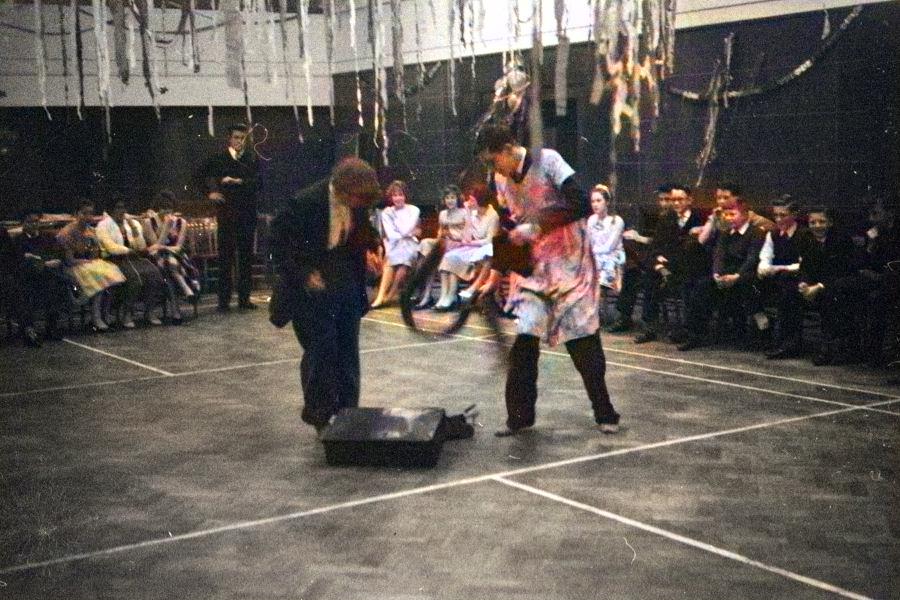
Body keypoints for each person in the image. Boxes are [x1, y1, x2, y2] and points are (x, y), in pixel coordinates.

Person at [476, 124, 620, 436]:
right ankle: (519, 418)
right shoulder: (501, 180)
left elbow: (580, 202)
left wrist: (537, 226)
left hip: (571, 266)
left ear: (508, 149)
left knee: (582, 343)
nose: (492, 168)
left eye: (493, 160)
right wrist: (494, 276)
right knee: (524, 342)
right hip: (537, 270)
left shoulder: (549, 161)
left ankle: (605, 412)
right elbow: (507, 228)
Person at [269, 157, 382, 434]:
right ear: (342, 189)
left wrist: (372, 249)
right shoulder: (304, 203)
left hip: (346, 278)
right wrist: (304, 274)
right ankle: (320, 416)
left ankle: (348, 414)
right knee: (321, 351)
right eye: (355, 199)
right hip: (313, 284)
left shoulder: (357, 202)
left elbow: (363, 230)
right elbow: (277, 245)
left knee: (348, 351)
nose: (359, 205)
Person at [203, 123, 260, 312]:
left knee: (245, 259)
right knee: (225, 259)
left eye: (242, 138)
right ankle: (223, 301)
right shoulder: (220, 159)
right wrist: (210, 193)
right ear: (229, 138)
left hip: (246, 215)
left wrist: (239, 181)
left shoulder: (251, 158)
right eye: (236, 137)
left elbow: (259, 183)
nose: (239, 141)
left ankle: (244, 299)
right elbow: (199, 176)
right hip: (227, 215)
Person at [757, 196, 815, 359]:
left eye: (783, 215)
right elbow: (766, 255)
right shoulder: (774, 233)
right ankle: (764, 330)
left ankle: (789, 343)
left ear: (794, 214)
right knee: (751, 282)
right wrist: (763, 266)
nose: (778, 219)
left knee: (787, 286)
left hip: (799, 278)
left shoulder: (805, 234)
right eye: (776, 215)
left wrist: (778, 268)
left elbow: (805, 264)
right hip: (777, 277)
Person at [96, 197, 167, 328]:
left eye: (123, 207)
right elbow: (109, 246)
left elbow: (140, 246)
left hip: (133, 258)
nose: (122, 210)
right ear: (111, 210)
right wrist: (128, 250)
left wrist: (134, 228)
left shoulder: (131, 223)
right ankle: (126, 313)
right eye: (118, 207)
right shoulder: (103, 225)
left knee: (155, 274)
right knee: (135, 279)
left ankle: (149, 311)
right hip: (114, 260)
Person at [57, 199, 126, 332]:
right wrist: (87, 262)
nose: (88, 216)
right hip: (72, 267)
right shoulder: (67, 232)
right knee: (99, 280)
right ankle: (96, 317)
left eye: (90, 213)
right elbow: (69, 260)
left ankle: (104, 314)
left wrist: (94, 244)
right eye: (84, 213)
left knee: (109, 277)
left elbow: (94, 256)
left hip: (88, 266)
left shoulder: (90, 231)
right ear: (76, 214)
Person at [145, 190, 200, 324]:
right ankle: (185, 289)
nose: (166, 211)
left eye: (169, 208)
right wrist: (165, 229)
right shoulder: (149, 222)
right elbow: (155, 247)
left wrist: (165, 248)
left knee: (170, 264)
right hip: (157, 259)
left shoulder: (181, 222)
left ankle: (176, 312)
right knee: (168, 263)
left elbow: (178, 247)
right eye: (163, 208)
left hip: (178, 257)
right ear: (157, 208)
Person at [414, 185, 467, 309]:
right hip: (444, 241)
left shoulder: (464, 213)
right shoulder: (443, 214)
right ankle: (426, 291)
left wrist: (452, 235)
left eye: (452, 197)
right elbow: (440, 232)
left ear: (457, 199)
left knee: (438, 256)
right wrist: (441, 236)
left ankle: (443, 295)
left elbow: (466, 235)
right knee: (425, 243)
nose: (450, 200)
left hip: (458, 243)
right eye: (447, 198)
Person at [371, 180, 420, 309]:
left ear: (405, 196)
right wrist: (406, 232)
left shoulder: (414, 210)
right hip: (394, 244)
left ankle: (390, 294)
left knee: (404, 261)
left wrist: (403, 230)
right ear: (391, 197)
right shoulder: (386, 213)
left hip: (410, 244)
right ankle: (381, 296)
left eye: (400, 195)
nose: (398, 198)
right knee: (390, 261)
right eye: (395, 195)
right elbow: (391, 234)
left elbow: (406, 229)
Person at [586, 184, 625, 298]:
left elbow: (609, 247)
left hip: (612, 258)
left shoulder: (616, 221)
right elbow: (589, 242)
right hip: (596, 257)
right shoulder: (591, 220)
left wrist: (592, 253)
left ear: (607, 202)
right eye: (593, 201)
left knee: (599, 282)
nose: (595, 204)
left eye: (599, 201)